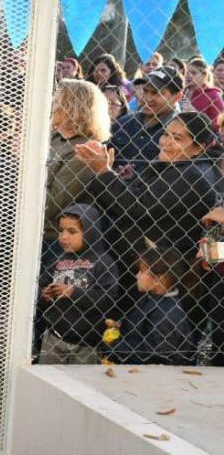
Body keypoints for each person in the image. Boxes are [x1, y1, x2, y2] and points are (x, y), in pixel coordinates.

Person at [78, 110, 221, 256]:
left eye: (177, 139)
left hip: (156, 264)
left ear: (199, 148)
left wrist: (104, 171)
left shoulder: (192, 175)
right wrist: (122, 178)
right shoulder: (181, 165)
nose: (166, 142)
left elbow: (137, 206)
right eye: (166, 134)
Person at [37, 204, 119, 364]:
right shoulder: (58, 260)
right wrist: (44, 294)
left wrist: (73, 292)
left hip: (87, 343)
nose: (64, 237)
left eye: (72, 231)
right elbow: (42, 284)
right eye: (61, 230)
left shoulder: (103, 262)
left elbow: (108, 299)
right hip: (54, 336)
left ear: (90, 232)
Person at [44, 80, 111, 241]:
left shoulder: (85, 150)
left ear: (71, 107)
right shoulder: (51, 138)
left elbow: (51, 206)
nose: (51, 104)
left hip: (53, 237)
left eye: (56, 100)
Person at [111, 248, 196, 365]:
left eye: (142, 271)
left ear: (159, 279)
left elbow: (155, 355)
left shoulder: (168, 315)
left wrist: (115, 345)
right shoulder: (151, 298)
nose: (137, 276)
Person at [110, 67, 183, 168]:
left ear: (177, 97)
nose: (147, 98)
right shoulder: (124, 122)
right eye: (145, 91)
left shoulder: (181, 133)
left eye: (156, 93)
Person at [185, 58, 224, 129]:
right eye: (187, 72)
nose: (189, 75)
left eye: (194, 73)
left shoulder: (213, 94)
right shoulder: (182, 91)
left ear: (204, 75)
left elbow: (218, 125)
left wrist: (195, 114)